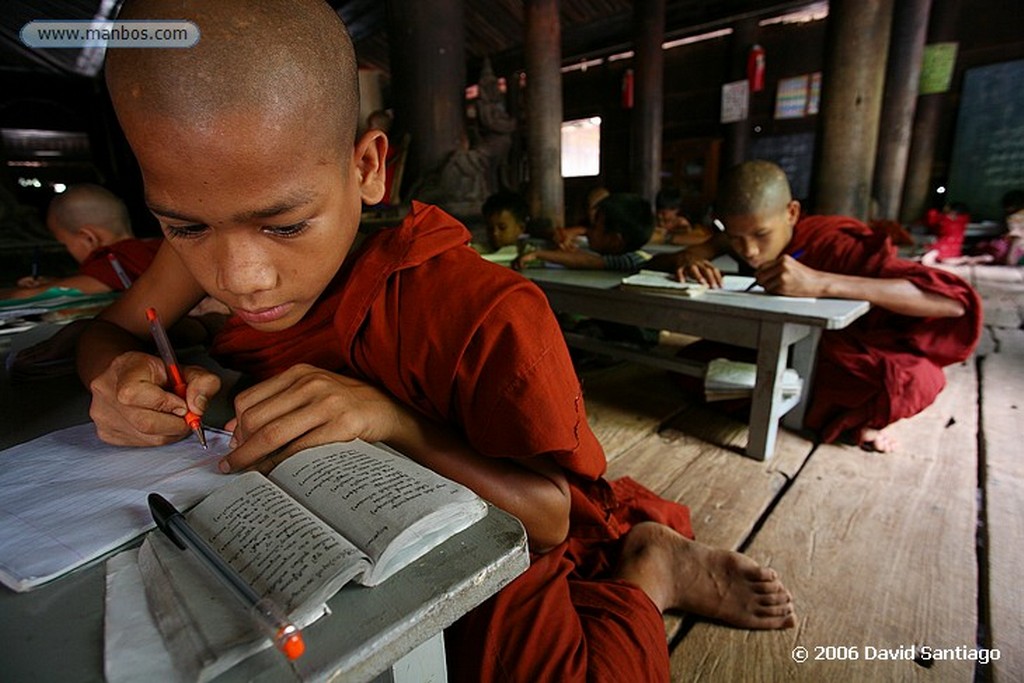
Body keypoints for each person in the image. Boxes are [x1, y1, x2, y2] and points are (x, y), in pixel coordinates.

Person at [76, 3, 796, 681]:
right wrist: (118, 374)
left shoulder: (477, 310)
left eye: (285, 225)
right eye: (185, 227)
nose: (241, 278)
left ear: (367, 167)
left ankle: (653, 567)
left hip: (487, 530)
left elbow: (550, 516)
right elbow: (106, 331)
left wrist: (394, 422)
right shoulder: (216, 231)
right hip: (313, 529)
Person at [665, 160, 982, 453]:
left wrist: (821, 282)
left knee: (914, 379)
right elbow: (705, 247)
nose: (749, 250)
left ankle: (844, 419)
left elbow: (952, 303)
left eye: (761, 235)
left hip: (843, 347)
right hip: (776, 343)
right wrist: (691, 256)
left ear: (791, 212)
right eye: (736, 238)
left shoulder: (832, 241)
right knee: (688, 365)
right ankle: (807, 409)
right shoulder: (738, 235)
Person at [4, 184, 161, 299]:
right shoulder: (157, 247)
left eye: (65, 244)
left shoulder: (111, 260)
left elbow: (26, 295)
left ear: (88, 238)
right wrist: (56, 283)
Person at [513, 193, 655, 272]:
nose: (588, 232)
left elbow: (589, 261)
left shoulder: (633, 260)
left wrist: (537, 254)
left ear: (614, 240)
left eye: (594, 227)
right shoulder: (617, 247)